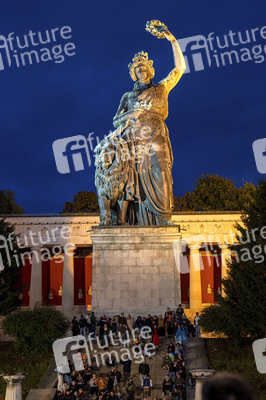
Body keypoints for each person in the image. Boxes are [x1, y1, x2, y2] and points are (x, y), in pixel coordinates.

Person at [112, 26, 186, 225]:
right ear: (133, 73)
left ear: (150, 69)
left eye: (144, 68)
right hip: (134, 140)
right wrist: (133, 113)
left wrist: (172, 39)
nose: (141, 71)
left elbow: (180, 69)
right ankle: (132, 219)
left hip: (156, 133)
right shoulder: (128, 97)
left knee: (161, 169)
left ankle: (164, 217)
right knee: (132, 179)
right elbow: (115, 120)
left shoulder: (161, 88)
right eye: (138, 69)